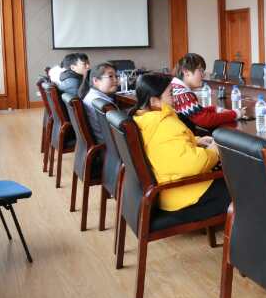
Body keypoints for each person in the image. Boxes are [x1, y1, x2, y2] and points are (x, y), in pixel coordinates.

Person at [129, 73, 230, 216]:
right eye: (171, 94)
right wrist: (214, 150)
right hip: (184, 194)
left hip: (169, 188)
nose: (175, 98)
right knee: (240, 188)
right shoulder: (163, 124)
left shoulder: (144, 118)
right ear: (154, 101)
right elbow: (194, 164)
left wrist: (195, 141)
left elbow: (164, 146)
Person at [171, 53, 245, 131]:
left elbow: (195, 112)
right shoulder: (183, 94)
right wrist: (235, 114)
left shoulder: (176, 88)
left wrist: (215, 109)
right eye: (200, 71)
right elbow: (205, 120)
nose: (203, 75)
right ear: (186, 72)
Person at [79, 62, 118, 144]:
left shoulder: (90, 95)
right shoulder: (104, 104)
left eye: (116, 76)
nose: (116, 80)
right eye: (110, 76)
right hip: (110, 144)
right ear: (96, 80)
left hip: (101, 140)